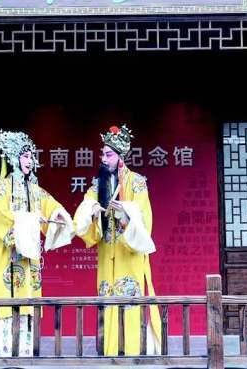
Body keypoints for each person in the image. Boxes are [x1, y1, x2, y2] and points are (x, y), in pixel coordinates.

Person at [73, 124, 161, 355]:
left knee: (129, 299)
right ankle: (109, 349)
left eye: (109, 154)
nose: (104, 159)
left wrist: (126, 214)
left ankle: (132, 350)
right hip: (107, 254)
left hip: (128, 253)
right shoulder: (98, 183)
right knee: (107, 297)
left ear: (121, 157)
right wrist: (91, 210)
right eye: (102, 154)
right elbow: (86, 204)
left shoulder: (137, 182)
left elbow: (144, 218)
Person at [0, 130, 74, 356]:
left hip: (29, 259)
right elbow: (1, 218)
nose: (30, 161)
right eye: (25, 156)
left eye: (31, 156)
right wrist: (29, 222)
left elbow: (50, 205)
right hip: (7, 256)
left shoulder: (36, 191)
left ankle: (26, 351)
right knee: (6, 300)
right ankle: (3, 352)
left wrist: (58, 215)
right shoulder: (1, 188)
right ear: (14, 158)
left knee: (28, 300)